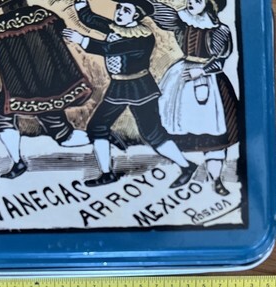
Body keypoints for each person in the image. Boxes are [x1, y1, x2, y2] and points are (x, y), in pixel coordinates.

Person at [64, 0, 196, 188]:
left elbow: (110, 49)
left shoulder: (142, 37)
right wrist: (80, 4)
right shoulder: (117, 27)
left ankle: (187, 166)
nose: (119, 12)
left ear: (136, 15)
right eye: (119, 8)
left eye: (126, 10)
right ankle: (107, 173)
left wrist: (82, 40)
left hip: (140, 88)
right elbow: (91, 19)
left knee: (152, 133)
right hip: (119, 87)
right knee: (97, 127)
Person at [0, 0, 93, 179]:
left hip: (19, 87)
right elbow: (60, 27)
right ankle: (100, 135)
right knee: (59, 129)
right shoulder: (42, 13)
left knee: (1, 118)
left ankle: (18, 162)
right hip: (51, 84)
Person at [150, 0, 239, 195]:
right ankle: (185, 167)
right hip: (181, 77)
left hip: (210, 80)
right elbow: (159, 12)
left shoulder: (220, 30)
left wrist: (202, 71)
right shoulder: (182, 22)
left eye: (197, 0)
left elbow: (220, 61)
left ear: (209, 4)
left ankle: (216, 180)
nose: (191, 3)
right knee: (175, 124)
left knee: (215, 133)